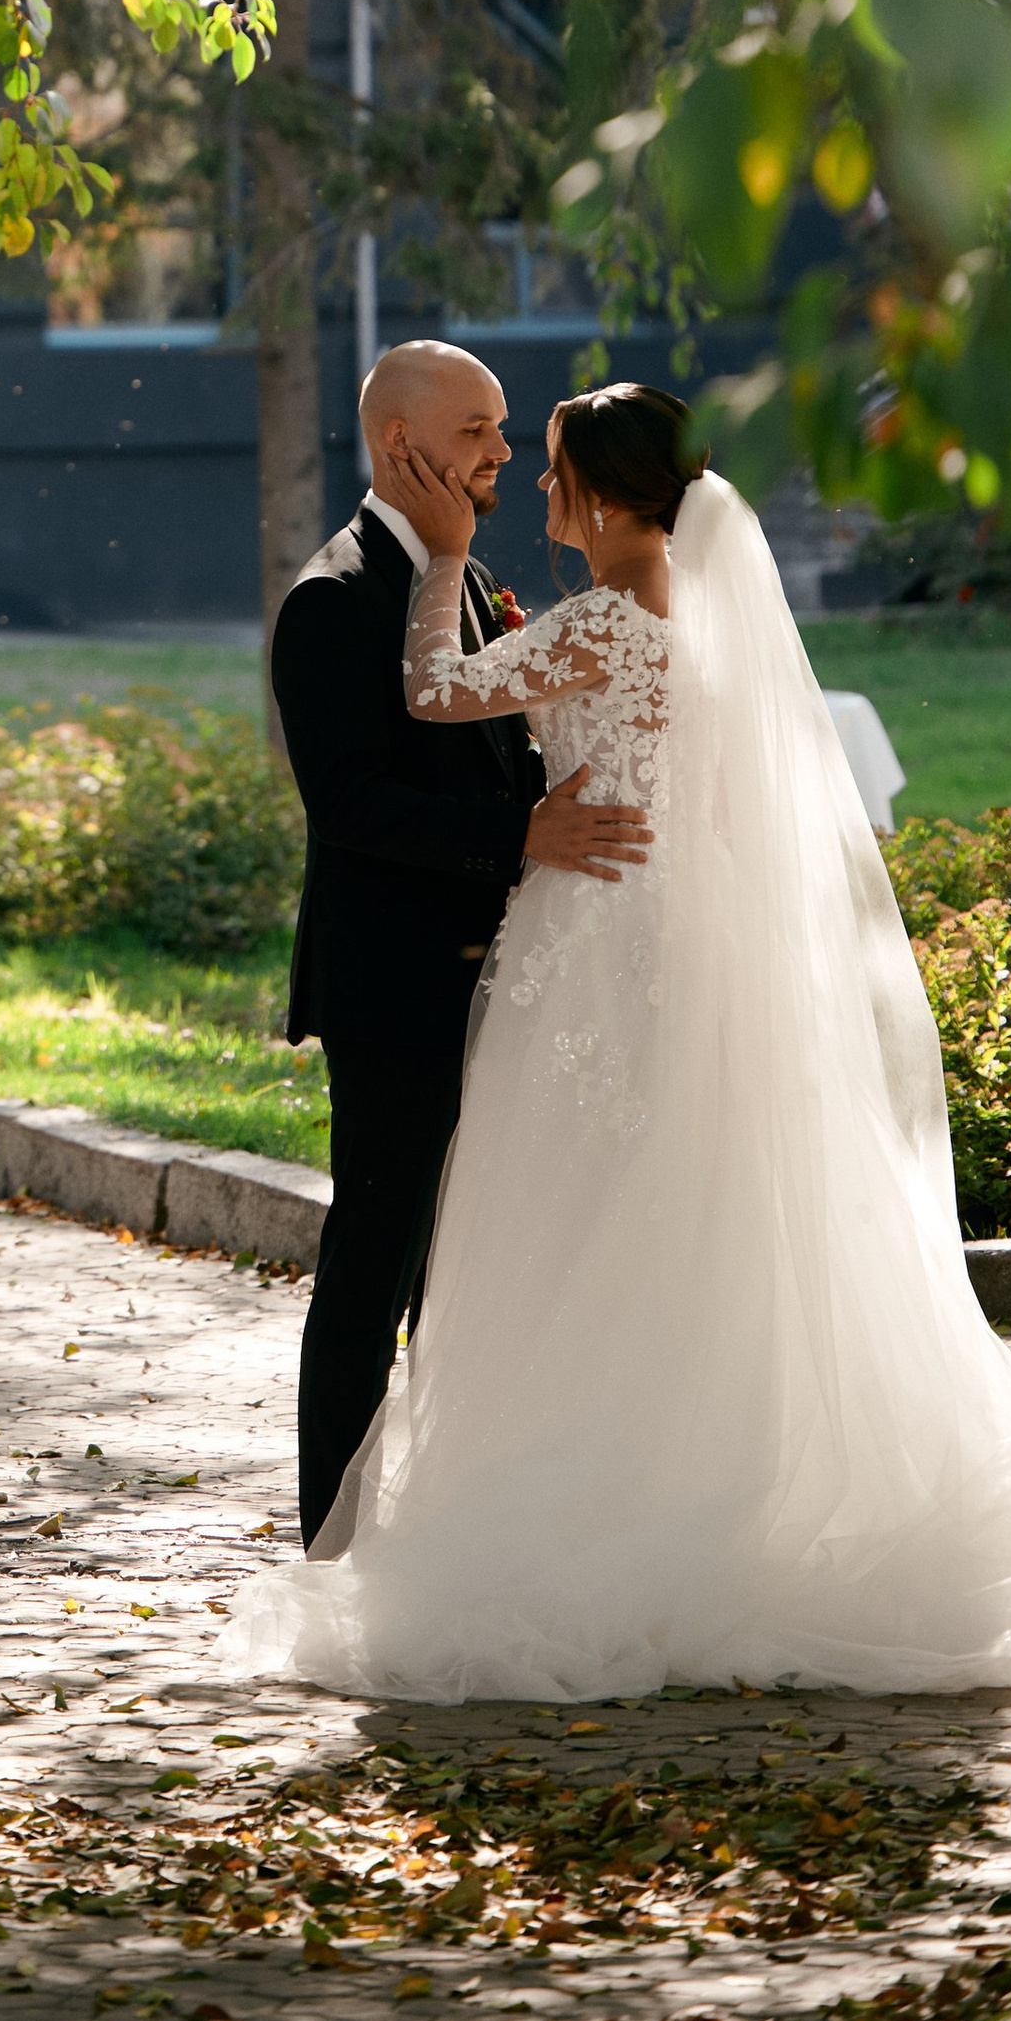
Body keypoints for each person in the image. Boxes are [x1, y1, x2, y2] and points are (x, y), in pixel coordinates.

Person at [229, 381, 1011, 1700]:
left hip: (595, 949)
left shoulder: (608, 622)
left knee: (569, 1220)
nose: (533, 487)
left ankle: (601, 1516)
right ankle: (703, 1497)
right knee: (672, 1220)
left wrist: (446, 560)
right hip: (677, 932)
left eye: (552, 468)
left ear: (607, 496)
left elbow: (439, 689)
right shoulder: (700, 621)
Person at [269, 342, 649, 1554]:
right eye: (481, 431)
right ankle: (333, 1536)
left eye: (502, 436)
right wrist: (522, 832)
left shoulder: (464, 576)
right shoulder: (332, 596)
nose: (500, 454)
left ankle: (450, 1527)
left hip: (518, 980)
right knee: (370, 1264)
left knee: (479, 1268)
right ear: (401, 446)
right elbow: (352, 805)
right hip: (397, 986)